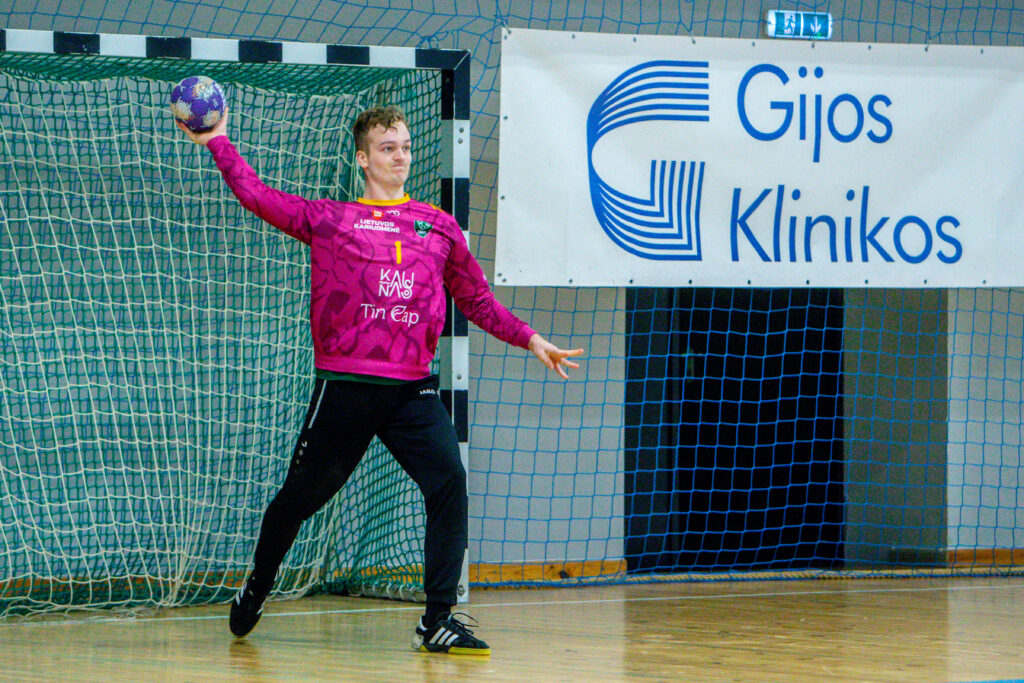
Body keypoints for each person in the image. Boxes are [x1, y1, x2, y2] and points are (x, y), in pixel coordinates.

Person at [176, 104, 583, 655]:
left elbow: (478, 300)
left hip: (412, 390)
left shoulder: (438, 226)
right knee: (297, 501)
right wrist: (218, 142)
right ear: (363, 159)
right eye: (388, 148)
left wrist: (530, 338)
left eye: (406, 147)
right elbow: (258, 197)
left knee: (449, 482)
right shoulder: (331, 219)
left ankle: (437, 620)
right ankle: (258, 585)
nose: (400, 157)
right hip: (347, 386)